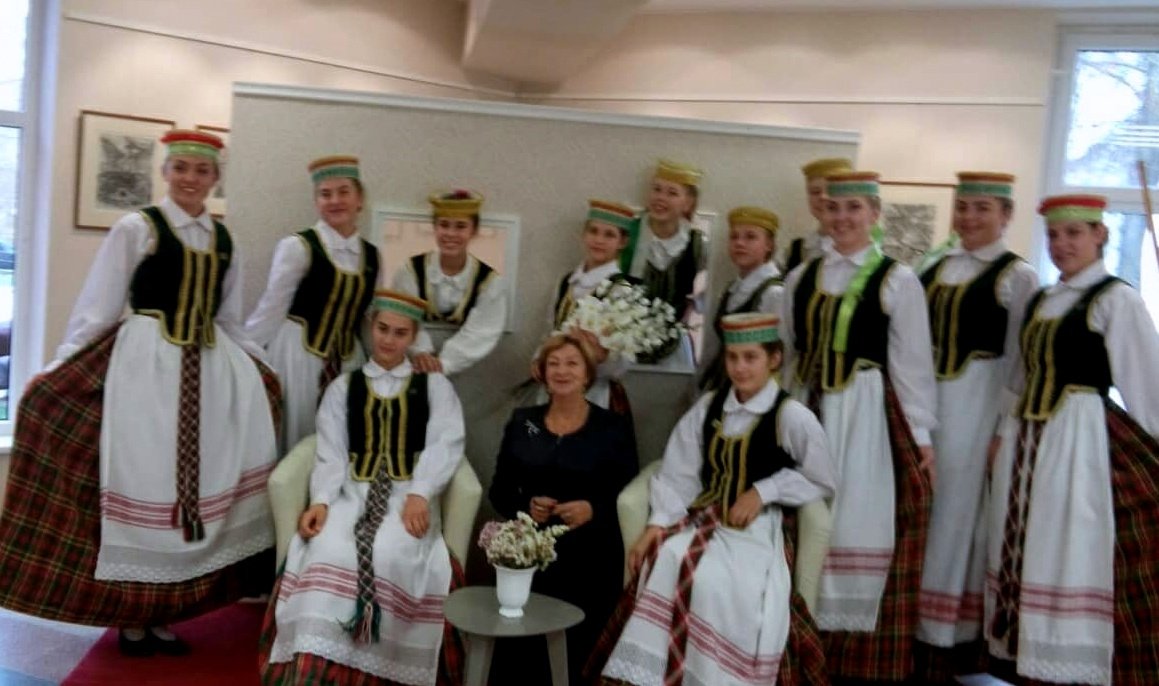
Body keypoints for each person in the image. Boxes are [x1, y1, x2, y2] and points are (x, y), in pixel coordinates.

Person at [0, 129, 280, 655]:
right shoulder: (138, 227)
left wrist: (263, 369)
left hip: (209, 371)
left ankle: (165, 613)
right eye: (181, 168)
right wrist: (62, 365)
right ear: (166, 172)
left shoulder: (224, 240)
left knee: (190, 488)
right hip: (145, 370)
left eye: (202, 170)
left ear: (215, 178)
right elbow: (99, 306)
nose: (191, 179)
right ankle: (133, 616)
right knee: (145, 478)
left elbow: (230, 319)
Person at [594, 312, 835, 686]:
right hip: (705, 514)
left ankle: (715, 674)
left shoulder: (791, 415)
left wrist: (764, 491)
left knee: (720, 581)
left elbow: (821, 477)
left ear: (773, 359)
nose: (740, 367)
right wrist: (656, 524)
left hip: (761, 524)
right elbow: (680, 471)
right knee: (669, 557)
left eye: (751, 358)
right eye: (733, 358)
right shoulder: (710, 406)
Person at [984, 195, 1159, 686]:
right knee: (1026, 538)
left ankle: (1070, 661)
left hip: (1079, 439)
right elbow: (1020, 377)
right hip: (1025, 442)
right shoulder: (1042, 299)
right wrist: (1002, 433)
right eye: (1054, 236)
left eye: (1074, 233)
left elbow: (1145, 383)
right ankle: (1027, 655)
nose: (1061, 244)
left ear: (1100, 234)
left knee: (1070, 539)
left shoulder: (1116, 299)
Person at [261, 289, 466, 686]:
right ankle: (319, 668)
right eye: (383, 329)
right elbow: (331, 451)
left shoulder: (434, 386)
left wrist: (420, 494)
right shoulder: (344, 386)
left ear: (414, 336)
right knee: (327, 548)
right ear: (371, 327)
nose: (389, 340)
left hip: (407, 494)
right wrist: (321, 501)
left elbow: (446, 442)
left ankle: (383, 671)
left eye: (400, 333)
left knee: (393, 551)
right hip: (352, 491)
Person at [780, 170, 937, 684]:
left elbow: (912, 366)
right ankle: (798, 641)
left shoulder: (898, 280)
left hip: (866, 416)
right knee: (805, 519)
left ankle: (851, 657)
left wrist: (920, 437)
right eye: (834, 207)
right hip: (808, 409)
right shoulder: (801, 278)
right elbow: (787, 352)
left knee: (856, 520)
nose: (842, 217)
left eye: (853, 208)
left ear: (874, 214)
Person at [913, 172, 1039, 683]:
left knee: (959, 512)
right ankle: (914, 628)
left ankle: (947, 638)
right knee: (926, 507)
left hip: (979, 402)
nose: (968, 217)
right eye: (963, 206)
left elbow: (1020, 360)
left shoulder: (1018, 276)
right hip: (929, 403)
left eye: (982, 208)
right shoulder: (934, 268)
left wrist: (1003, 428)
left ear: (1006, 215)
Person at [490, 332, 639, 684]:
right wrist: (526, 506)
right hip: (531, 545)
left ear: (587, 374)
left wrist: (593, 509)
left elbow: (628, 490)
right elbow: (499, 490)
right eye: (553, 364)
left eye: (572, 363)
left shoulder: (611, 427)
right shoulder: (525, 423)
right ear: (543, 373)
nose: (562, 371)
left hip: (590, 546)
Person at [246, 155, 381, 454]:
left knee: (341, 439)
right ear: (316, 201)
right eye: (325, 194)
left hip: (348, 361)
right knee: (298, 438)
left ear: (359, 199)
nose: (335, 201)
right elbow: (272, 308)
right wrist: (244, 354)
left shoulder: (373, 256)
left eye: (343, 192)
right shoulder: (298, 247)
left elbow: (372, 316)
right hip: (299, 358)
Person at [391, 190, 506, 376]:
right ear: (434, 227)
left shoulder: (489, 281)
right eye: (444, 225)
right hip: (411, 363)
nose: (451, 234)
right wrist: (421, 352)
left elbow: (483, 331)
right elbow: (402, 317)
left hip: (464, 368)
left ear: (474, 231)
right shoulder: (410, 270)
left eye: (461, 226)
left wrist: (445, 363)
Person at [541, 199, 637, 413]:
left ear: (622, 242)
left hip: (595, 394)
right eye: (593, 231)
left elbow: (624, 361)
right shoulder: (566, 283)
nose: (599, 240)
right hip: (554, 389)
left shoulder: (623, 290)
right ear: (584, 235)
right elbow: (549, 332)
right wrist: (541, 359)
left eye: (609, 235)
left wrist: (601, 357)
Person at [700, 205, 784, 391]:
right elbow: (714, 346)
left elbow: (778, 353)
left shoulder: (774, 293)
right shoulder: (731, 290)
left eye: (750, 237)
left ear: (769, 245)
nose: (739, 243)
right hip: (721, 383)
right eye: (734, 237)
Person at [620, 159, 707, 321]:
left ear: (688, 203)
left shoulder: (695, 244)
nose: (660, 198)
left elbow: (699, 298)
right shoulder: (628, 233)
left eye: (672, 193)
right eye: (657, 189)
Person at [780, 157, 853, 273]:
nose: (823, 197)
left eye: (830, 190)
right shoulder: (796, 250)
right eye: (815, 192)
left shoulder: (866, 249)